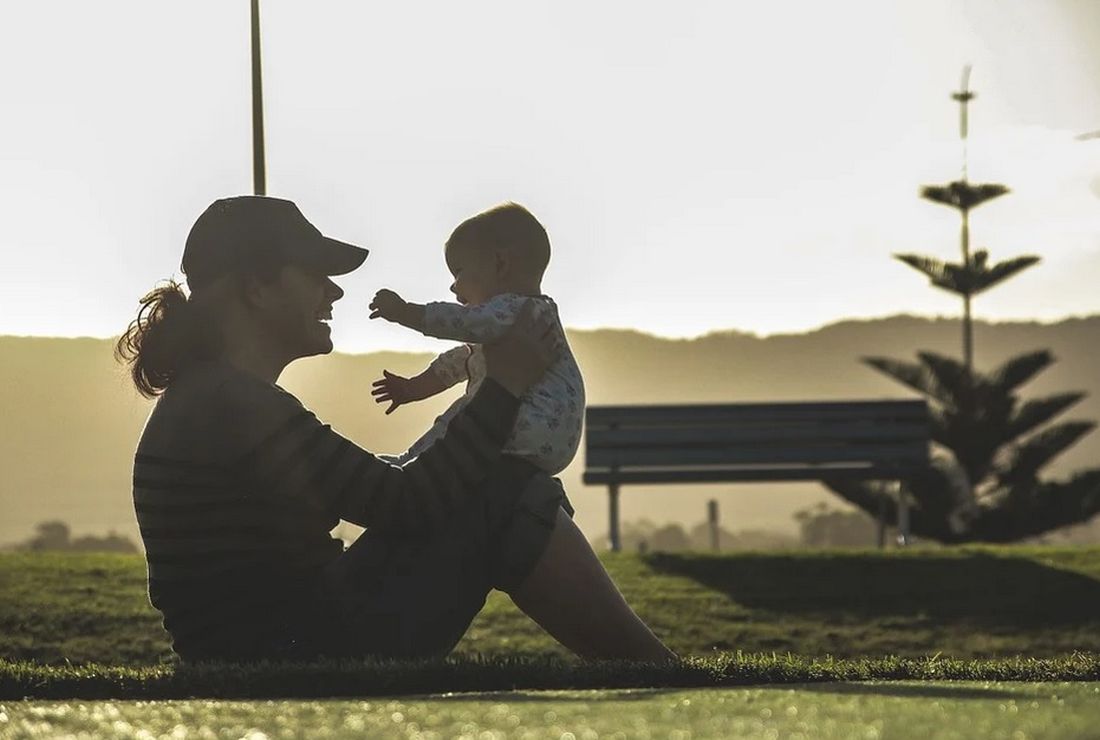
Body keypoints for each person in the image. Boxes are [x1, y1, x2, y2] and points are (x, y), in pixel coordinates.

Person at [116, 195, 674, 663]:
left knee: (503, 486)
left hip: (282, 641)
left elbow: (382, 491)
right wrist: (504, 385)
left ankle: (656, 671)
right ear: (255, 288)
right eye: (316, 276)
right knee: (508, 491)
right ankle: (660, 675)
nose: (333, 293)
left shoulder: (214, 398)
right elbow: (406, 502)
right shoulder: (228, 405)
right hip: (297, 652)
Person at [368, 202, 584, 481]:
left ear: (500, 264)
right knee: (468, 415)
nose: (453, 286)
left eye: (458, 272)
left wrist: (406, 312)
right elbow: (462, 362)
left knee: (462, 419)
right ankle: (411, 463)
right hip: (549, 440)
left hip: (527, 424)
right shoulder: (526, 320)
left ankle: (411, 465)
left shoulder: (518, 310)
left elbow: (463, 323)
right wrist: (412, 388)